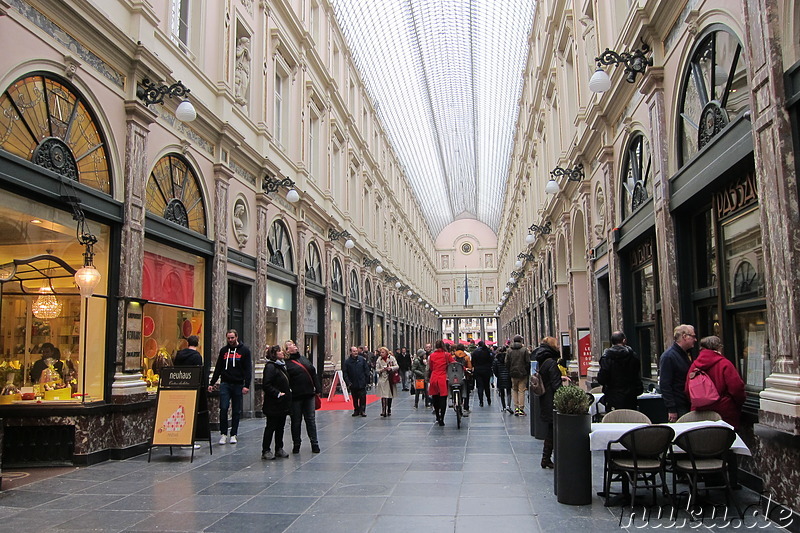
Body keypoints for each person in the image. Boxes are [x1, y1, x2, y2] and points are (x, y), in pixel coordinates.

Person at [685, 336, 746, 428]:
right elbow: (736, 388)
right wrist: (738, 402)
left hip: (699, 413)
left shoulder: (694, 365)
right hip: (724, 412)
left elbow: (687, 389)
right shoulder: (725, 364)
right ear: (718, 347)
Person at [208, 330, 252, 445]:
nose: (230, 340)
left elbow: (248, 369)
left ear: (236, 337)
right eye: (228, 338)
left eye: (232, 338)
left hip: (238, 384)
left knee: (236, 410)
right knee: (223, 408)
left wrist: (246, 385)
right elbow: (218, 367)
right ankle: (223, 433)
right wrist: (212, 383)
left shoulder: (244, 351)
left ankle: (233, 434)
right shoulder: (224, 351)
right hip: (225, 383)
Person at [284, 339, 321, 453]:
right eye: (291, 345)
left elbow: (312, 372)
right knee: (296, 421)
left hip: (309, 394)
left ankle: (314, 443)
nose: (294, 346)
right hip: (296, 396)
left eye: (294, 344)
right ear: (287, 350)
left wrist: (318, 388)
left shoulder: (303, 358)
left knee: (310, 419)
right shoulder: (286, 364)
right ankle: (296, 444)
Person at [534, 336, 562, 468]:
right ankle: (546, 458)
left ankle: (546, 458)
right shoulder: (551, 362)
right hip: (552, 399)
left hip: (545, 398)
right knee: (552, 430)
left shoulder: (542, 360)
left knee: (551, 430)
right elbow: (556, 385)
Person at [597, 331, 643, 411]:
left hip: (613, 396)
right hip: (630, 396)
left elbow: (602, 379)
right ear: (624, 340)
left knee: (615, 419)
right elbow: (637, 375)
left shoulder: (607, 358)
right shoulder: (633, 356)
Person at [659, 324, 696, 422]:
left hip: (689, 402)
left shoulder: (687, 353)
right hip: (679, 405)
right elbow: (665, 384)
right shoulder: (669, 357)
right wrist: (671, 408)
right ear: (684, 336)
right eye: (693, 336)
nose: (695, 339)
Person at [261, 345, 291, 460]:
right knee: (271, 427)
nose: (282, 352)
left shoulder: (280, 366)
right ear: (274, 354)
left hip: (282, 403)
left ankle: (279, 448)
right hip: (273, 403)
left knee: (280, 427)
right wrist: (277, 393)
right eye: (279, 351)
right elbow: (266, 384)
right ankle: (266, 449)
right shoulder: (270, 367)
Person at [427, 340, 454, 426]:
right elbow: (453, 364)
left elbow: (431, 367)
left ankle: (437, 416)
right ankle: (442, 417)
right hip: (443, 378)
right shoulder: (447, 355)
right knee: (443, 398)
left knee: (435, 397)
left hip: (434, 377)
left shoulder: (432, 355)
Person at [505, 335, 531, 416]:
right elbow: (527, 362)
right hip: (523, 373)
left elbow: (506, 362)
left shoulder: (509, 350)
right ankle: (521, 409)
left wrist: (510, 370)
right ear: (520, 341)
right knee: (521, 390)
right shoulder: (524, 350)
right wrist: (526, 371)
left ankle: (516, 407)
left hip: (513, 373)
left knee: (514, 389)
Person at [343, 346, 370, 417]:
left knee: (363, 397)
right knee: (355, 398)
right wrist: (348, 382)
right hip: (353, 382)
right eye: (354, 351)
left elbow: (366, 369)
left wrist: (366, 379)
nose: (355, 353)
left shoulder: (361, 360)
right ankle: (356, 410)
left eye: (356, 351)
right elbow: (345, 373)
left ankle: (362, 410)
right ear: (351, 352)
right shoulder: (347, 362)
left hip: (361, 382)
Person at [375, 347, 399, 417]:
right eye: (380, 352)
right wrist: (381, 370)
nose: (381, 354)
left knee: (389, 395)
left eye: (383, 352)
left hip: (390, 378)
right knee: (383, 395)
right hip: (382, 378)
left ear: (386, 352)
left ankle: (389, 408)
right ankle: (383, 410)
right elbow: (376, 369)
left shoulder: (391, 358)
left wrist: (391, 368)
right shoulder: (379, 359)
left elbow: (397, 366)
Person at [471, 340, 493, 407]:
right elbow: (491, 360)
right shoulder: (487, 351)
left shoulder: (475, 352)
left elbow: (472, 362)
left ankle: (481, 401)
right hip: (486, 370)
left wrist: (475, 366)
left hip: (478, 370)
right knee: (487, 386)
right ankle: (488, 399)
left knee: (480, 386)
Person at [453, 344, 473, 415]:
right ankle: (466, 407)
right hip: (464, 377)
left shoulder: (453, 357)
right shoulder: (466, 357)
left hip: (454, 377)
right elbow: (470, 368)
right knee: (466, 391)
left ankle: (455, 402)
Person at [493, 345, 513, 413]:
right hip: (508, 376)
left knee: (502, 393)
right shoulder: (509, 359)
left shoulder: (496, 359)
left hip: (500, 377)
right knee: (508, 391)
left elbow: (495, 369)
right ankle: (508, 406)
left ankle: (503, 407)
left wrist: (497, 375)